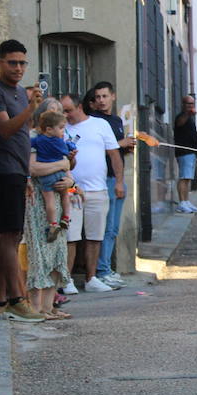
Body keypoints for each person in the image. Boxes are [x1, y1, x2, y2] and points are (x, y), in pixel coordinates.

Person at [0, 39, 50, 323]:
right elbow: (5, 129)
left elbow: (23, 136)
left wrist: (27, 176)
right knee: (9, 236)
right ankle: (16, 299)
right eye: (12, 62)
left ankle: (1, 300)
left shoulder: (21, 93)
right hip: (2, 171)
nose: (18, 68)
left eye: (22, 63)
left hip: (18, 172)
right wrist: (31, 109)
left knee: (9, 237)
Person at [63, 93, 123, 292]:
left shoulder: (100, 125)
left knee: (95, 236)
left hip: (97, 189)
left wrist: (119, 182)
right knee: (70, 236)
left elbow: (114, 154)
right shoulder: (61, 128)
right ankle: (67, 279)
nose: (66, 115)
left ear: (80, 107)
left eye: (69, 110)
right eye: (63, 111)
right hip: (71, 191)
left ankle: (91, 278)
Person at [25, 98, 73, 319]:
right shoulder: (34, 139)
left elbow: (69, 172)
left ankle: (48, 306)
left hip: (58, 200)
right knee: (40, 253)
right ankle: (36, 308)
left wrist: (70, 181)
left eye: (59, 112)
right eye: (51, 111)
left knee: (57, 253)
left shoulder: (61, 138)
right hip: (38, 201)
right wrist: (61, 165)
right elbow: (33, 168)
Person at [87, 81, 133, 288]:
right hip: (103, 180)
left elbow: (116, 151)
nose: (101, 101)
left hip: (117, 178)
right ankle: (102, 270)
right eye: (97, 97)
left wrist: (126, 148)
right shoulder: (94, 121)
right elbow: (98, 149)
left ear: (113, 96)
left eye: (105, 96)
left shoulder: (116, 120)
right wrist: (120, 144)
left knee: (113, 228)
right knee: (104, 228)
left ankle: (106, 268)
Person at [30, 107, 75, 241]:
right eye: (61, 128)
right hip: (59, 174)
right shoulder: (59, 141)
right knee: (65, 196)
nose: (63, 131)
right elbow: (66, 155)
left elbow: (29, 144)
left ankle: (53, 224)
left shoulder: (37, 140)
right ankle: (66, 217)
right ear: (49, 128)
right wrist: (70, 150)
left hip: (47, 178)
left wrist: (71, 183)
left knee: (49, 201)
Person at [173, 95, 197, 212]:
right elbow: (180, 123)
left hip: (192, 152)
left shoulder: (190, 118)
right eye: (188, 104)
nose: (190, 106)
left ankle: (186, 201)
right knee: (184, 177)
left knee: (188, 178)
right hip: (184, 152)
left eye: (192, 104)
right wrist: (188, 114)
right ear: (183, 105)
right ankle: (182, 203)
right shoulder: (182, 117)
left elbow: (194, 136)